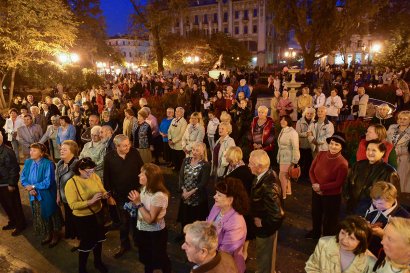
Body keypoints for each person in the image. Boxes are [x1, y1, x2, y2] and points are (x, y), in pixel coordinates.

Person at [65, 157, 110, 273]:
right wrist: (90, 201)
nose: (91, 173)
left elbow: (101, 188)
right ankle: (82, 268)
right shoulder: (71, 183)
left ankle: (98, 262)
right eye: (88, 171)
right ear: (80, 170)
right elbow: (73, 205)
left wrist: (105, 195)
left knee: (99, 240)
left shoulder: (94, 176)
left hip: (98, 214)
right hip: (83, 218)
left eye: (93, 170)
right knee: (87, 243)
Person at [103, 134, 144, 258]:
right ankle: (124, 245)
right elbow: (107, 177)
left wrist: (142, 189)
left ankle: (138, 242)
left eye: (128, 144)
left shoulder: (134, 152)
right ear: (117, 146)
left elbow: (142, 169)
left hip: (136, 193)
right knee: (124, 222)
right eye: (125, 146)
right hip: (120, 196)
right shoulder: (109, 157)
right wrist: (109, 196)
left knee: (138, 219)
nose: (128, 147)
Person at [127, 163, 172, 273]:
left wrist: (138, 203)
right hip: (142, 229)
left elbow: (150, 219)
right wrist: (133, 203)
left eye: (142, 174)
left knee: (159, 258)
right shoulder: (145, 188)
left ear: (150, 178)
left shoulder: (159, 196)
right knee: (147, 258)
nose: (138, 175)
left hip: (154, 233)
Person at [306, 133, 349, 239]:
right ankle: (315, 233)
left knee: (329, 219)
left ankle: (326, 238)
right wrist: (315, 185)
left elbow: (338, 183)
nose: (333, 146)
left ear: (341, 147)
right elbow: (311, 171)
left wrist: (321, 188)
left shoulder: (343, 163)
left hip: (332, 196)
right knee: (316, 214)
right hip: (316, 192)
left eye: (337, 145)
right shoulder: (321, 154)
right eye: (332, 143)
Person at [248, 150, 284, 273]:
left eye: (250, 163)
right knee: (265, 258)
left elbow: (278, 215)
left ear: (259, 167)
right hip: (264, 228)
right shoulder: (265, 175)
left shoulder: (269, 185)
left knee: (265, 259)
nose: (248, 165)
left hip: (266, 230)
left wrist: (263, 223)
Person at [20, 143, 63, 247]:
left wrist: (33, 187)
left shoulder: (48, 164)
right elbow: (23, 177)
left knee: (51, 214)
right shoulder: (28, 162)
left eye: (34, 150)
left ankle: (55, 235)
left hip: (47, 194)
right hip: (33, 194)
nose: (31, 152)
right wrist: (29, 188)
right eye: (31, 150)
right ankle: (48, 234)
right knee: (40, 214)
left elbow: (48, 182)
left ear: (42, 153)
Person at [344, 140, 400, 214]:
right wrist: (347, 199)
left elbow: (394, 196)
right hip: (352, 208)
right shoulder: (358, 165)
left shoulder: (390, 172)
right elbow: (347, 184)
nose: (370, 153)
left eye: (374, 150)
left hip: (373, 212)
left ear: (382, 152)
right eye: (368, 149)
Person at [305, 215, 376, 273]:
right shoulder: (324, 243)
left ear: (362, 241)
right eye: (342, 233)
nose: (344, 240)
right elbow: (311, 267)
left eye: (351, 238)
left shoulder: (370, 262)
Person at [206, 178, 248, 273]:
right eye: (216, 193)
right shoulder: (217, 207)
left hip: (227, 266)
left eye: (219, 195)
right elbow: (208, 224)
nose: (214, 196)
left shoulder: (236, 223)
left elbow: (224, 252)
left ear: (230, 200)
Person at [360, 182, 410, 257]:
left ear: (392, 200)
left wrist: (383, 235)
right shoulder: (366, 202)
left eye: (380, 203)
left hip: (380, 255)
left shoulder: (404, 217)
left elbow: (402, 244)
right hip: (361, 246)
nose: (376, 205)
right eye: (373, 201)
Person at [223, 146, 254, 260]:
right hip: (232, 203)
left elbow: (246, 190)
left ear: (232, 156)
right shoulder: (230, 166)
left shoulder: (244, 171)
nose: (225, 155)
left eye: (227, 154)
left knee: (245, 230)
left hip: (241, 205)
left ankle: (244, 253)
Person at [177, 142, 211, 238]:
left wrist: (190, 193)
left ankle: (194, 237)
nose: (194, 152)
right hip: (185, 194)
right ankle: (183, 233)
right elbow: (181, 176)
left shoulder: (206, 165)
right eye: (193, 150)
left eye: (197, 150)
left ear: (202, 152)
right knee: (184, 217)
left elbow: (203, 183)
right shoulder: (186, 160)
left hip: (197, 197)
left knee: (195, 219)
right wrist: (184, 190)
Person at [0, 133, 26, 236]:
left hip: (7, 184)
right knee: (6, 205)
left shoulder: (7, 151)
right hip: (1, 184)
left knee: (14, 206)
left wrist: (11, 184)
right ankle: (12, 222)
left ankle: (20, 224)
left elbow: (14, 169)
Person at [56, 140, 79, 243]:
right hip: (64, 197)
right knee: (69, 217)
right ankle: (71, 234)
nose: (61, 151)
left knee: (76, 219)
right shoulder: (60, 163)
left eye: (64, 150)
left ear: (72, 151)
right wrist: (58, 196)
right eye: (61, 149)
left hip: (75, 199)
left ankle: (79, 239)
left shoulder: (77, 165)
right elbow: (58, 182)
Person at [277, 115, 300, 199]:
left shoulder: (293, 132)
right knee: (286, 175)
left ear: (288, 121)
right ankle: (288, 191)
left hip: (288, 157)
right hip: (282, 156)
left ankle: (282, 194)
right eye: (281, 120)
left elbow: (295, 147)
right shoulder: (283, 130)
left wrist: (295, 160)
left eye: (284, 120)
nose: (282, 122)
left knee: (282, 175)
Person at [387, 111, 410, 193]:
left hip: (403, 159)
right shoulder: (392, 127)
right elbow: (386, 141)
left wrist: (397, 151)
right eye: (400, 118)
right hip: (389, 156)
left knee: (400, 181)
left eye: (405, 119)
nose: (402, 120)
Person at [296, 107, 315, 182]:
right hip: (302, 145)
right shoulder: (299, 122)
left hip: (310, 146)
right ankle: (299, 176)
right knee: (301, 162)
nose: (309, 114)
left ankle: (307, 176)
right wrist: (307, 134)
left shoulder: (314, 122)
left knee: (309, 162)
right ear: (305, 113)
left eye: (311, 113)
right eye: (308, 113)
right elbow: (297, 133)